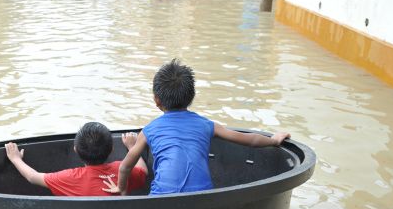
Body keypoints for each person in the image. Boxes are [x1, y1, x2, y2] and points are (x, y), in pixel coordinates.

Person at [103, 60, 290, 196]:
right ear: (192, 96)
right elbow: (250, 139)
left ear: (156, 100)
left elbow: (125, 167)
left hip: (160, 199)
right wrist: (273, 140)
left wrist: (122, 189)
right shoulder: (206, 125)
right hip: (201, 198)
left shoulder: (149, 130)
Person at [5, 122, 147, 196]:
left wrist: (15, 158)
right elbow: (143, 171)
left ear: (75, 150)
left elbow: (32, 177)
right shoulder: (122, 170)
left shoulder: (68, 178)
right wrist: (132, 147)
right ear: (111, 149)